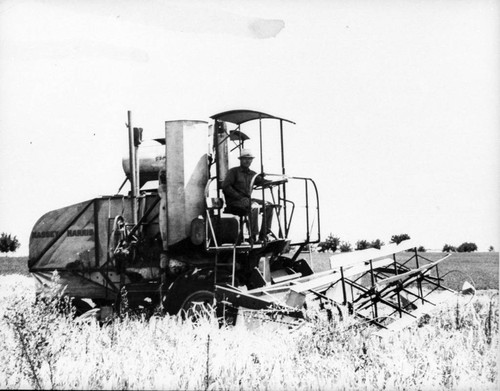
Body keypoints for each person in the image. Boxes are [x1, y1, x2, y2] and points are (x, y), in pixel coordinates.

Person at [222, 149, 274, 243]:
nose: (247, 161)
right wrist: (239, 198)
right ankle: (253, 237)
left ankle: (264, 235)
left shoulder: (253, 174)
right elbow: (226, 187)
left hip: (247, 200)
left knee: (269, 206)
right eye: (245, 159)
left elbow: (263, 182)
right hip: (234, 202)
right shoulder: (233, 172)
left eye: (249, 159)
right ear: (240, 160)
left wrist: (270, 180)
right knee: (254, 206)